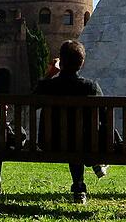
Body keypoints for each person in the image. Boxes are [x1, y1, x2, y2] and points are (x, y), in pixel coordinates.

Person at [35, 40, 108, 204]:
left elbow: (32, 103)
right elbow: (104, 117)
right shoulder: (91, 87)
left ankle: (80, 185)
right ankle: (95, 162)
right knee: (80, 138)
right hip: (87, 145)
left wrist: (49, 74)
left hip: (51, 143)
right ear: (81, 63)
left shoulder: (49, 87)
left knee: (72, 139)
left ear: (60, 60)